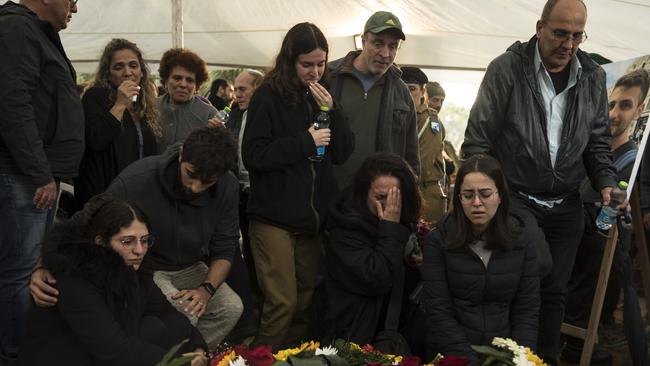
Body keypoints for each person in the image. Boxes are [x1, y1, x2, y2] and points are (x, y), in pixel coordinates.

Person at [461, 1, 617, 363]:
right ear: (539, 27)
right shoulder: (507, 69)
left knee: (555, 292)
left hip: (567, 201)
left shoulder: (593, 76)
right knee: (531, 272)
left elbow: (597, 143)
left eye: (577, 36)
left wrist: (607, 181)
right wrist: (486, 195)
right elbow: (478, 141)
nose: (568, 44)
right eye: (560, 33)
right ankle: (505, 357)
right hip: (516, 197)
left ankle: (540, 359)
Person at [31, 126, 244, 349]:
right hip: (147, 266)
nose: (195, 187)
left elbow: (225, 245)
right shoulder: (138, 178)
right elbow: (82, 220)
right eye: (191, 175)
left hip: (192, 265)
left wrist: (206, 290)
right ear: (181, 154)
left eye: (207, 182)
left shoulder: (227, 185)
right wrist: (42, 265)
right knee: (183, 313)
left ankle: (192, 357)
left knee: (231, 308)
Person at [242, 22, 354, 348]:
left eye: (321, 64)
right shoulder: (267, 95)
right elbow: (254, 155)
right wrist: (305, 141)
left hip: (311, 220)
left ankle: (289, 357)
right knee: (282, 303)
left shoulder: (323, 93)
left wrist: (333, 111)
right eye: (307, 64)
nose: (315, 72)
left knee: (304, 302)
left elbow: (343, 151)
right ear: (290, 60)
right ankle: (261, 359)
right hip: (273, 218)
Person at [17, 194, 207, 366]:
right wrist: (180, 362)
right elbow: (113, 348)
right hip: (68, 359)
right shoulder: (75, 280)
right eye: (127, 241)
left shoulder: (133, 269)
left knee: (158, 326)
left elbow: (168, 314)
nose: (139, 250)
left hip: (103, 356)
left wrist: (197, 348)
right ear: (101, 242)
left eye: (145, 240)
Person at [0, 0, 84, 363]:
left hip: (32, 175)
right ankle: (15, 356)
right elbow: (12, 104)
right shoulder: (17, 28)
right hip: (24, 177)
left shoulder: (35, 32)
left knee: (21, 272)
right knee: (17, 276)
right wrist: (39, 174)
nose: (75, 9)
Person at [563, 68, 649, 364]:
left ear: (639, 110)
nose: (614, 113)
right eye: (611, 104)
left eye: (625, 106)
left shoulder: (633, 161)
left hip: (603, 255)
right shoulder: (587, 151)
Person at [422, 155, 540, 363]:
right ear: (458, 198)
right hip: (451, 354)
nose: (477, 203)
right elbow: (438, 312)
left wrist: (520, 359)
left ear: (500, 195)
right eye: (468, 195)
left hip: (503, 355)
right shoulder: (438, 241)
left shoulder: (522, 239)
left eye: (485, 194)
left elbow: (527, 309)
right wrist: (468, 361)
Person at [323, 153, 421, 345]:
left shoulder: (406, 227)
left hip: (395, 333)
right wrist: (390, 228)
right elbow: (378, 277)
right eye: (381, 197)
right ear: (364, 194)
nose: (389, 205)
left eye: (396, 198)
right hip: (353, 339)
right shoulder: (345, 231)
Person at [327, 11, 419, 189]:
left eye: (393, 46)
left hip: (378, 200)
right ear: (363, 41)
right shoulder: (330, 77)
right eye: (378, 43)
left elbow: (411, 156)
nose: (385, 53)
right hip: (330, 195)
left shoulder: (401, 92)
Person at [75, 38, 161, 208]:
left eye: (133, 65)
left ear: (142, 72)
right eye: (118, 67)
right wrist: (120, 104)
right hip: (105, 198)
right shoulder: (95, 97)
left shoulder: (145, 105)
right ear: (108, 73)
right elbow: (96, 140)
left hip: (139, 197)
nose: (127, 72)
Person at [401, 67, 446, 224]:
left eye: (412, 89)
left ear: (423, 92)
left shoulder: (429, 121)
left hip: (424, 193)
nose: (406, 94)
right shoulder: (401, 116)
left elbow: (422, 165)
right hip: (406, 190)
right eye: (402, 88)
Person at [157, 48, 220, 152]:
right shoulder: (150, 108)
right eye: (177, 78)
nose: (183, 84)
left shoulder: (209, 114)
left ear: (197, 85)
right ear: (166, 80)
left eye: (190, 80)